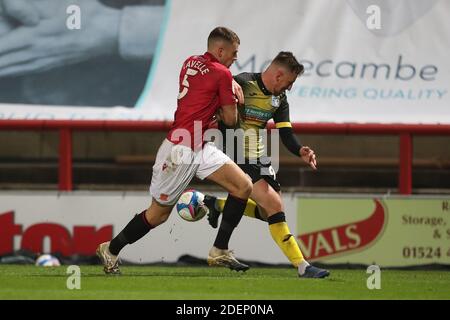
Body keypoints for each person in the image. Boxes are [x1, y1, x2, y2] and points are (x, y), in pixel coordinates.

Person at [96, 26, 253, 274]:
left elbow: (209, 82)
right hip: (181, 151)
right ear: (220, 50)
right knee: (158, 215)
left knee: (243, 186)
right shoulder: (222, 74)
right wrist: (235, 99)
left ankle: (219, 250)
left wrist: (229, 82)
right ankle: (111, 249)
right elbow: (231, 121)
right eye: (233, 53)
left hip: (198, 144)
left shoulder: (191, 61)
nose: (236, 58)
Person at [204, 52, 330, 278]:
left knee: (267, 212)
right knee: (274, 206)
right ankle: (303, 267)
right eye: (290, 82)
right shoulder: (241, 82)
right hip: (234, 153)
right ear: (279, 75)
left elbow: (286, 133)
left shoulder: (279, 100)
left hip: (259, 158)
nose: (289, 88)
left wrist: (300, 149)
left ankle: (217, 207)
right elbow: (214, 101)